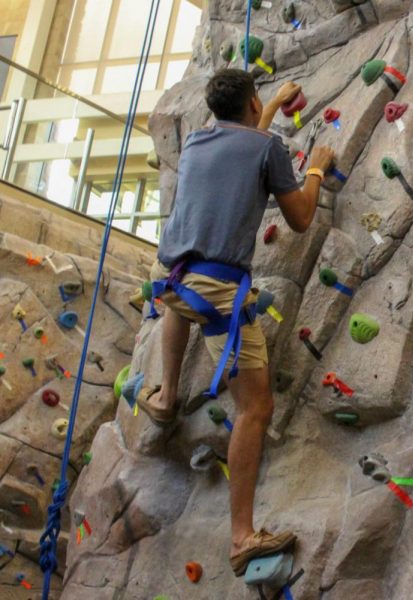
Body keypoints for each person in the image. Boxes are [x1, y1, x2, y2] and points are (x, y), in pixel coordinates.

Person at [133, 69, 334, 576]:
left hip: (175, 276)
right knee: (256, 406)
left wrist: (267, 111)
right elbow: (301, 219)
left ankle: (164, 396)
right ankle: (242, 536)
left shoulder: (201, 139)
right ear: (253, 101)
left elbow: (245, 139)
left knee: (181, 299)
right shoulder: (269, 150)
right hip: (222, 291)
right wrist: (316, 170)